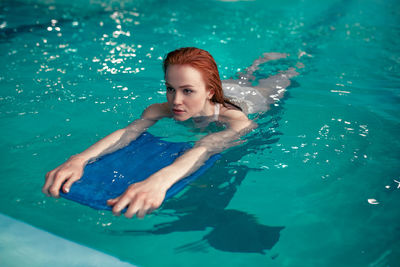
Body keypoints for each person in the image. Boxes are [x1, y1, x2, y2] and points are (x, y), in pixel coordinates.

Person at [42, 47, 298, 219]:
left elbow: (204, 147)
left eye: (187, 91)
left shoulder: (235, 119)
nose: (175, 101)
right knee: (244, 75)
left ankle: (293, 59)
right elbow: (128, 133)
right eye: (170, 88)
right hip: (224, 87)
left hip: (254, 97)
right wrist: (79, 159)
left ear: (209, 91)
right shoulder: (161, 109)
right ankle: (256, 64)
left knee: (282, 76)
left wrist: (160, 180)